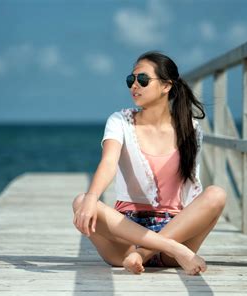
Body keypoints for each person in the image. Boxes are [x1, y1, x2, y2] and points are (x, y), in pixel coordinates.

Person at [72, 51, 226, 275]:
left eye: (143, 80)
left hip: (175, 230)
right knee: (81, 201)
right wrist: (91, 199)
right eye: (131, 80)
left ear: (166, 86)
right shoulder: (120, 121)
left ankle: (145, 253)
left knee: (217, 194)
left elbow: (194, 188)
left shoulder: (189, 128)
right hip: (126, 240)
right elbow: (108, 162)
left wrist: (190, 222)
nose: (135, 85)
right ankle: (169, 248)